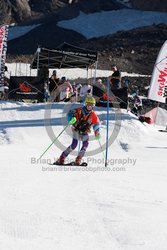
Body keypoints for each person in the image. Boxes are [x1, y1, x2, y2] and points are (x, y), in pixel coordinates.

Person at [55, 96, 100, 165]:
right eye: (88, 104)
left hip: (85, 131)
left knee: (85, 144)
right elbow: (69, 114)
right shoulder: (79, 110)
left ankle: (79, 158)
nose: (89, 106)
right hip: (76, 130)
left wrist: (97, 132)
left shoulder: (93, 115)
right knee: (74, 145)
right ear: (85, 104)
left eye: (91, 105)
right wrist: (71, 119)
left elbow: (96, 124)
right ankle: (62, 157)